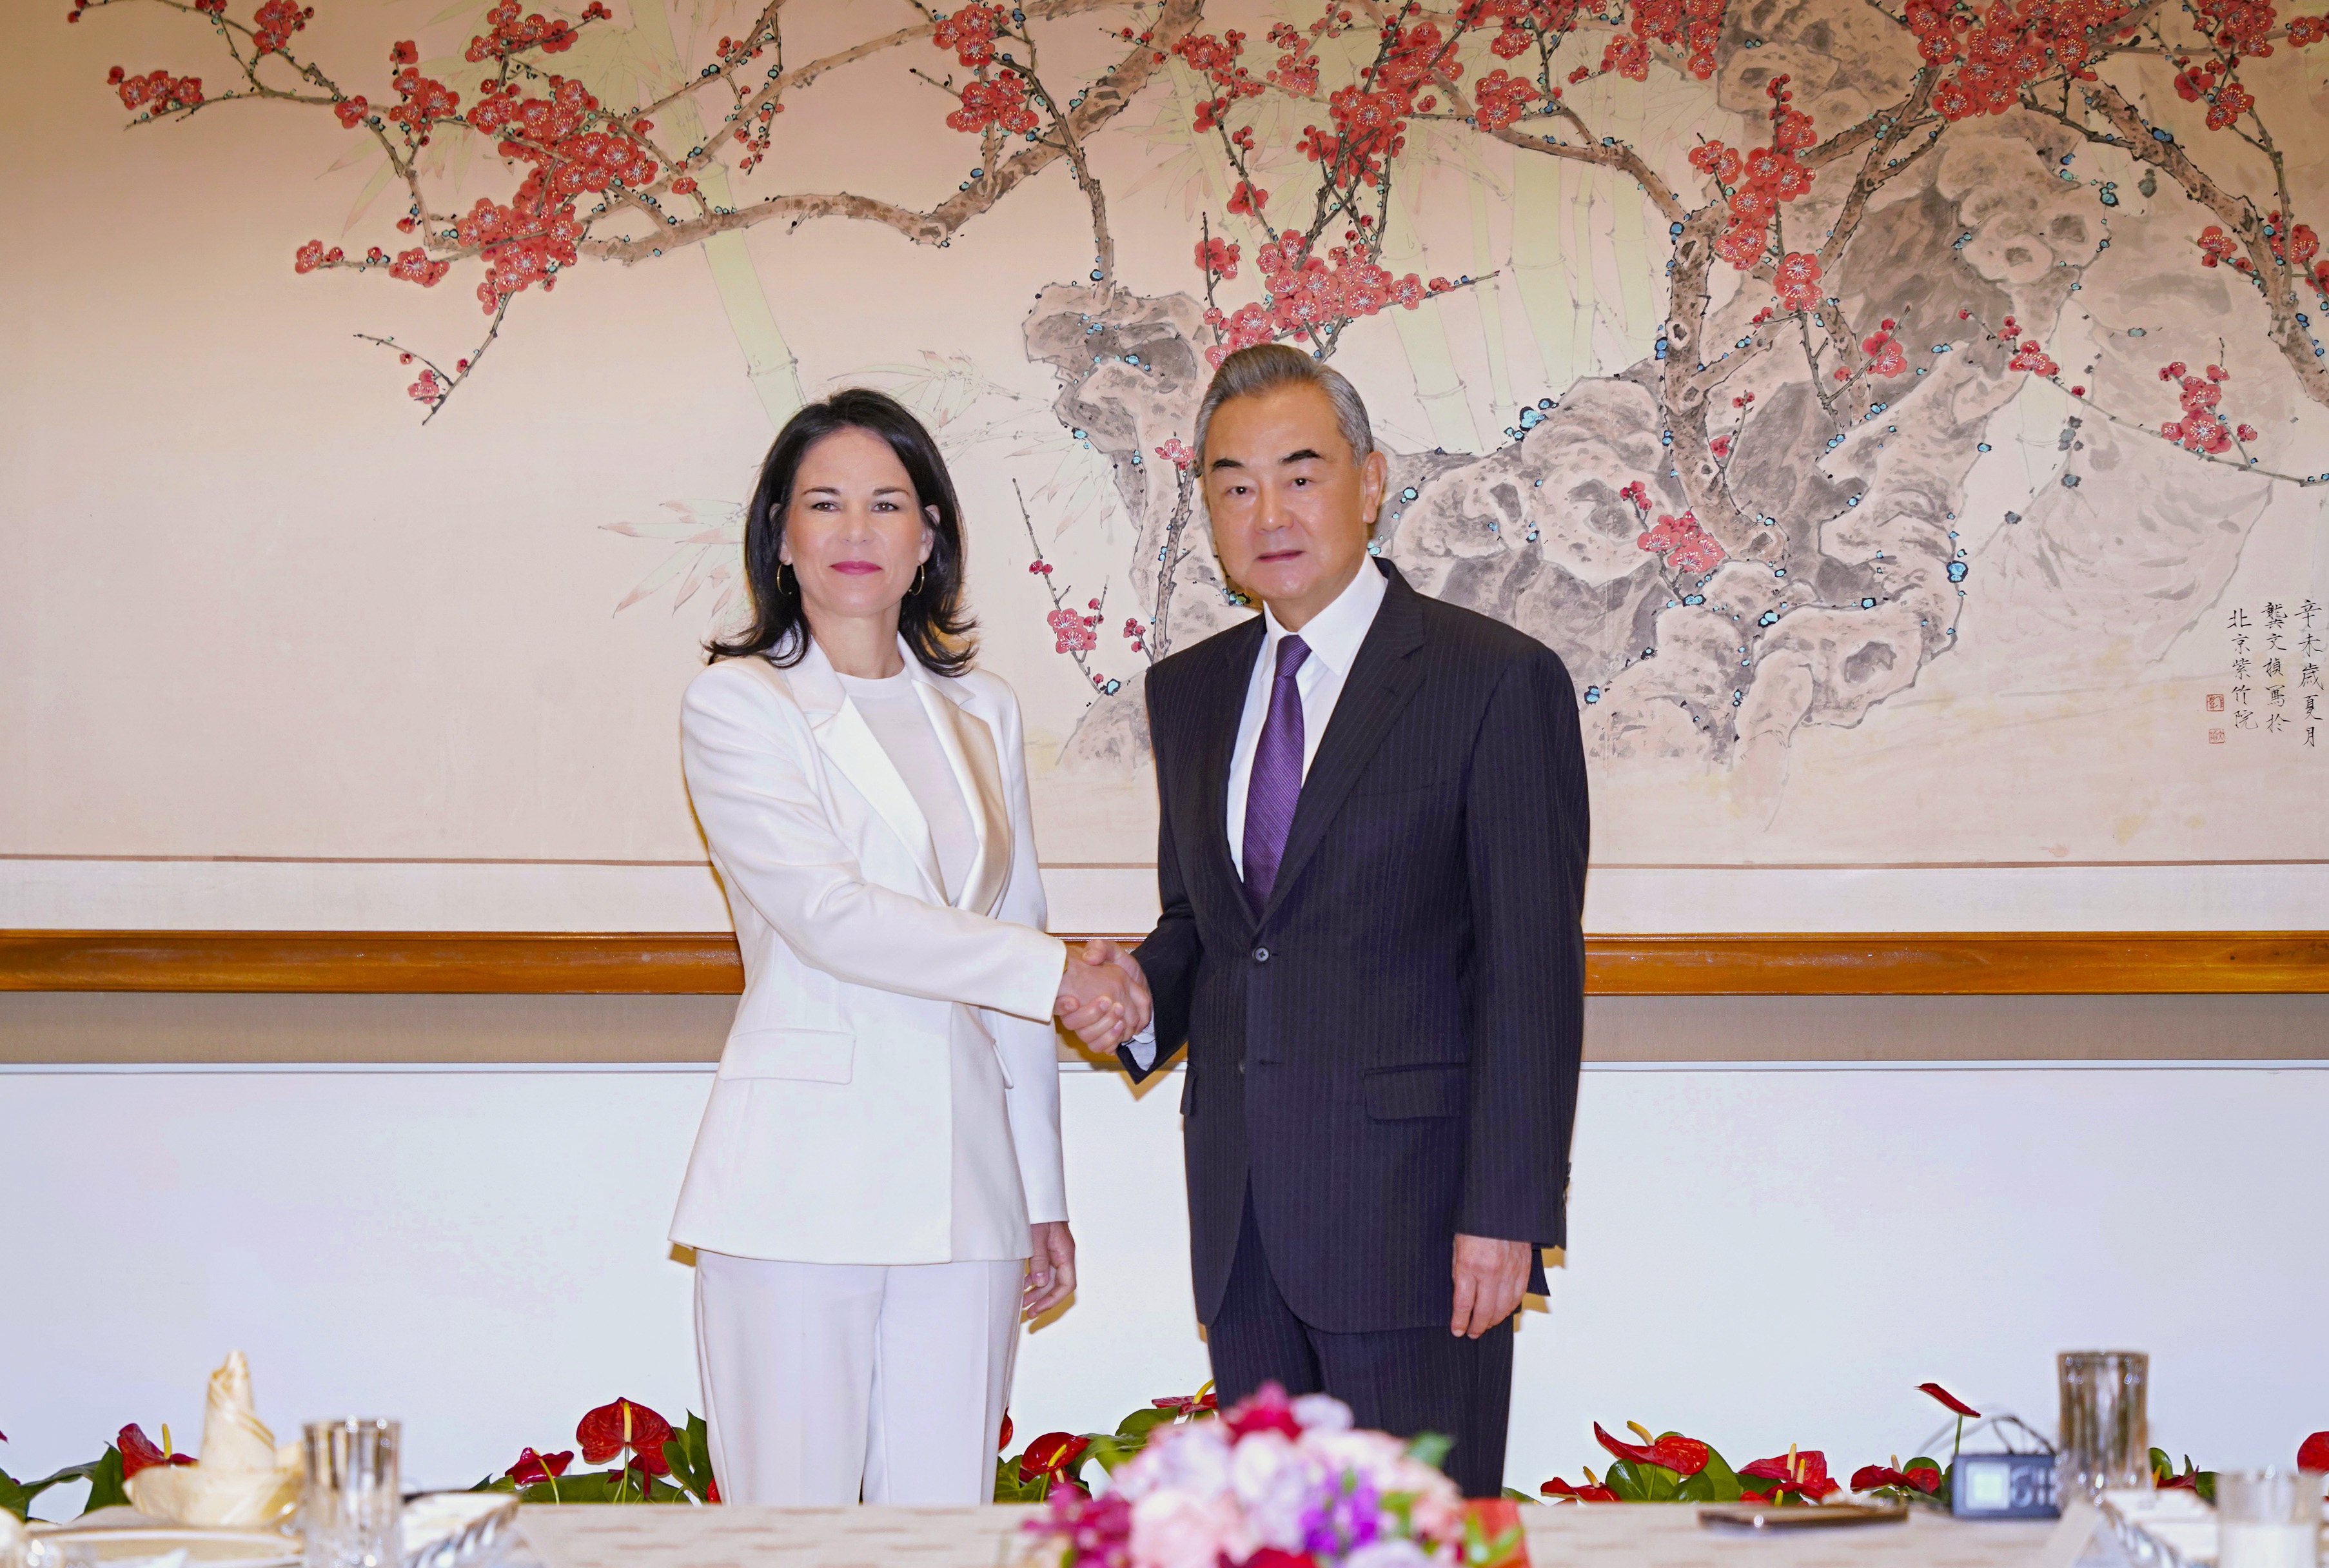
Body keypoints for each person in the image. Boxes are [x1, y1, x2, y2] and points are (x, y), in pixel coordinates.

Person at [1085, 344, 1589, 1498]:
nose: (1269, 511)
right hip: (1246, 1224)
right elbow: (1209, 926)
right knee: (1273, 1539)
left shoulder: (1492, 681)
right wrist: (1136, 990)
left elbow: (1531, 969)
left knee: (1413, 1542)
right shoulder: (1193, 691)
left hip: (1421, 1233)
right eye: (1234, 484)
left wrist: (1506, 1215)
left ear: (1371, 482)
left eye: (1300, 474)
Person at [671, 388, 1148, 1505]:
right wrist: (1056, 973)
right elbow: (832, 917)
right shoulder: (739, 706)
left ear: (929, 535)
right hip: (799, 1185)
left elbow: (1014, 933)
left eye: (886, 503)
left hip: (966, 1193)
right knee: (794, 1530)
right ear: (779, 536)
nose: (853, 531)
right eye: (822, 503)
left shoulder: (981, 710)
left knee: (944, 1527)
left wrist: (1040, 1191)